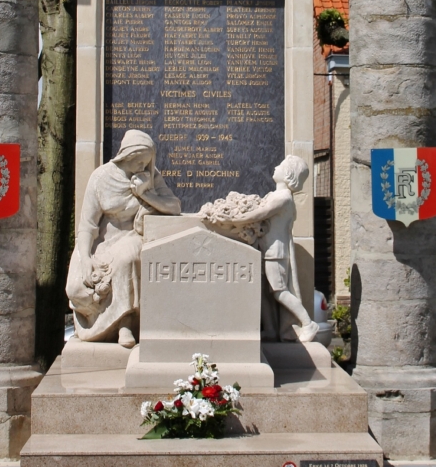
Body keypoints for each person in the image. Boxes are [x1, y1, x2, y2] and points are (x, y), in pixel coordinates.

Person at [65, 130, 181, 345]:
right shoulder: (100, 178)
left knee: (126, 258)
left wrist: (145, 194)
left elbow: (174, 207)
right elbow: (87, 226)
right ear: (126, 156)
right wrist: (86, 258)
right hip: (102, 242)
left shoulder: (150, 177)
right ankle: (100, 322)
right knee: (76, 288)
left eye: (147, 162)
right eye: (139, 161)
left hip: (133, 235)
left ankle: (124, 325)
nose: (143, 167)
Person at [203, 156, 319, 344]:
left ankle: (308, 323)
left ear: (288, 174)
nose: (274, 165)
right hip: (266, 250)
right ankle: (272, 330)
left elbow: (260, 214)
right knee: (265, 291)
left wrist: (233, 220)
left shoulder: (283, 198)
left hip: (276, 253)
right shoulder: (275, 195)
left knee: (279, 292)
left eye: (280, 165)